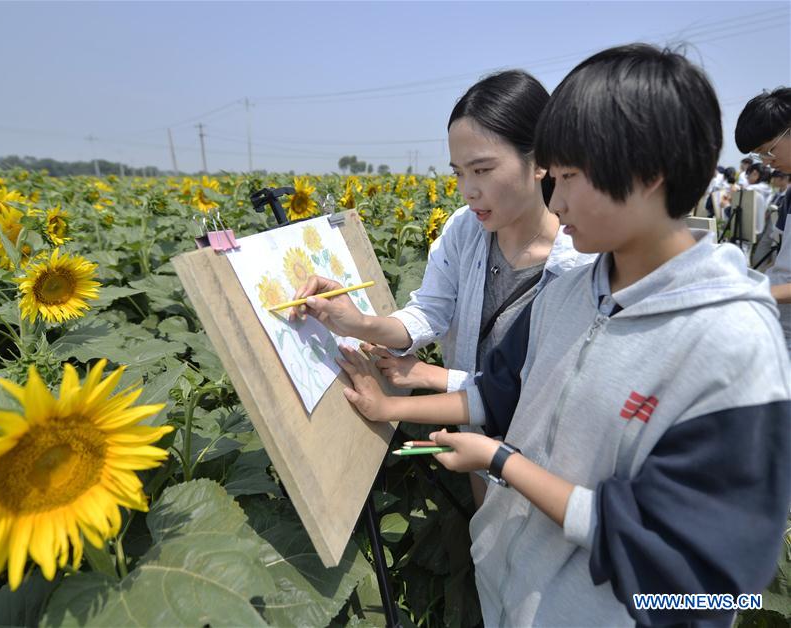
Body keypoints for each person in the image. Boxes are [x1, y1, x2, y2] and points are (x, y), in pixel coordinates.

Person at [336, 44, 790, 626]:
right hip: (510, 590)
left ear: (648, 175)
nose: (556, 198)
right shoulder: (572, 294)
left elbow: (715, 585)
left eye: (569, 177)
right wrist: (389, 403)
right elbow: (497, 391)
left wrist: (503, 463)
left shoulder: (731, 342)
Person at [291, 70, 594, 506]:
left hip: (547, 464)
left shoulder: (580, 263)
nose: (469, 191)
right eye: (458, 173)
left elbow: (538, 390)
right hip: (472, 443)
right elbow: (429, 314)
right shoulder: (464, 231)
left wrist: (436, 377)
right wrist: (359, 323)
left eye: (483, 169)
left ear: (540, 160)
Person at [736, 86, 791, 352]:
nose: (767, 162)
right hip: (778, 323)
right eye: (760, 155)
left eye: (768, 150)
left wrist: (755, 293)